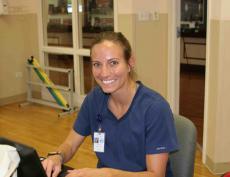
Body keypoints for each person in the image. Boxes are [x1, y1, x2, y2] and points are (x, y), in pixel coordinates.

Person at [42, 31, 179, 177]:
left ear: (130, 63)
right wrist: (58, 156)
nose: (104, 73)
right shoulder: (94, 99)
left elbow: (156, 175)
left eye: (113, 63)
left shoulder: (155, 108)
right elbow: (70, 144)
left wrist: (109, 174)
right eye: (97, 64)